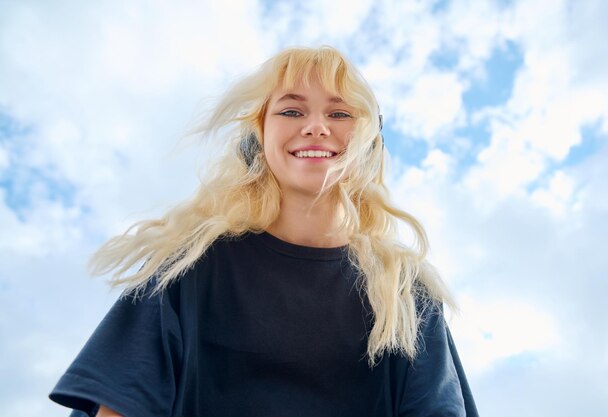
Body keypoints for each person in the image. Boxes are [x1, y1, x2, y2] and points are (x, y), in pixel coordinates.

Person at [49, 46, 479, 417]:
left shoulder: (405, 294)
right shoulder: (186, 267)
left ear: (368, 140)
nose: (316, 126)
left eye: (340, 112)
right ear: (259, 135)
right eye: (292, 110)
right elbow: (117, 404)